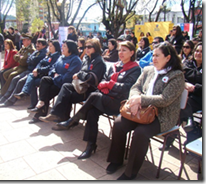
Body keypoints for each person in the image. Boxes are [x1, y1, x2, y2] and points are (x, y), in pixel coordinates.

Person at [106, 41, 185, 180]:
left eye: (157, 56)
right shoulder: (149, 70)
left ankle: (130, 173)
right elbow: (135, 87)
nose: (153, 58)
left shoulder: (176, 76)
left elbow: (165, 99)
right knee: (119, 124)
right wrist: (134, 100)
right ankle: (116, 160)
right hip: (141, 110)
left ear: (168, 58)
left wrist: (140, 100)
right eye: (153, 55)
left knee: (141, 133)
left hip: (162, 116)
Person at [51, 41, 141, 161]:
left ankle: (73, 120)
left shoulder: (135, 69)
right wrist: (108, 86)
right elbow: (102, 81)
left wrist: (109, 85)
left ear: (132, 52)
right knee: (91, 112)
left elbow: (126, 88)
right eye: (119, 50)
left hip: (118, 102)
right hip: (106, 97)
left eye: (124, 50)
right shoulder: (115, 66)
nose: (121, 53)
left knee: (94, 96)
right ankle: (90, 146)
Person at [40, 38, 106, 125]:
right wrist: (79, 74)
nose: (87, 49)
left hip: (89, 90)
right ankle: (55, 114)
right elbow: (82, 72)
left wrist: (79, 74)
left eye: (89, 47)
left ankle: (66, 119)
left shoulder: (99, 61)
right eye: (86, 47)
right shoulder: (86, 58)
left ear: (96, 48)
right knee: (65, 87)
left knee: (66, 94)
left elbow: (92, 79)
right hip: (80, 86)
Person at [160, 42, 202, 151]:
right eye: (197, 51)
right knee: (178, 104)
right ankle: (190, 126)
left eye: (202, 51)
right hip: (184, 93)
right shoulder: (187, 63)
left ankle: (170, 138)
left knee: (179, 108)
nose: (199, 53)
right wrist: (185, 84)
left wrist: (195, 88)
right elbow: (179, 76)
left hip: (199, 97)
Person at [28, 40, 82, 124]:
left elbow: (67, 78)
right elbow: (52, 69)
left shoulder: (75, 60)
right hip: (56, 81)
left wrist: (57, 76)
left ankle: (41, 113)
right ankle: (41, 103)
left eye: (64, 46)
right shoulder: (61, 57)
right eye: (62, 46)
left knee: (47, 91)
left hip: (64, 85)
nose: (62, 48)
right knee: (45, 80)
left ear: (70, 49)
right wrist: (55, 75)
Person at [0, 38, 48, 107]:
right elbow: (28, 59)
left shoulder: (43, 53)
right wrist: (29, 59)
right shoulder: (36, 51)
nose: (37, 45)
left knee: (20, 81)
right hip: (29, 70)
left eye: (39, 44)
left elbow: (33, 60)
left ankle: (10, 101)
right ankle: (5, 96)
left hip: (34, 72)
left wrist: (29, 59)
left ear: (44, 46)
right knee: (14, 79)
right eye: (37, 43)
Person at [13, 40, 61, 109]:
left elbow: (50, 67)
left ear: (55, 47)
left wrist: (39, 70)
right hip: (40, 73)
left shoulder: (57, 56)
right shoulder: (49, 55)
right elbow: (41, 62)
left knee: (33, 81)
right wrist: (36, 69)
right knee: (31, 76)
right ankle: (26, 94)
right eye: (49, 46)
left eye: (51, 46)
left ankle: (27, 94)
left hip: (47, 77)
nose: (49, 48)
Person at [0, 33, 35, 101]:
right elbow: (15, 57)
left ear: (29, 41)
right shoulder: (23, 48)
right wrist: (19, 58)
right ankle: (7, 90)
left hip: (24, 68)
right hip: (19, 66)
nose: (23, 41)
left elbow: (24, 62)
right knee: (5, 73)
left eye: (24, 40)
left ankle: (4, 94)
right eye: (23, 40)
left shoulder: (31, 50)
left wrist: (19, 58)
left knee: (12, 75)